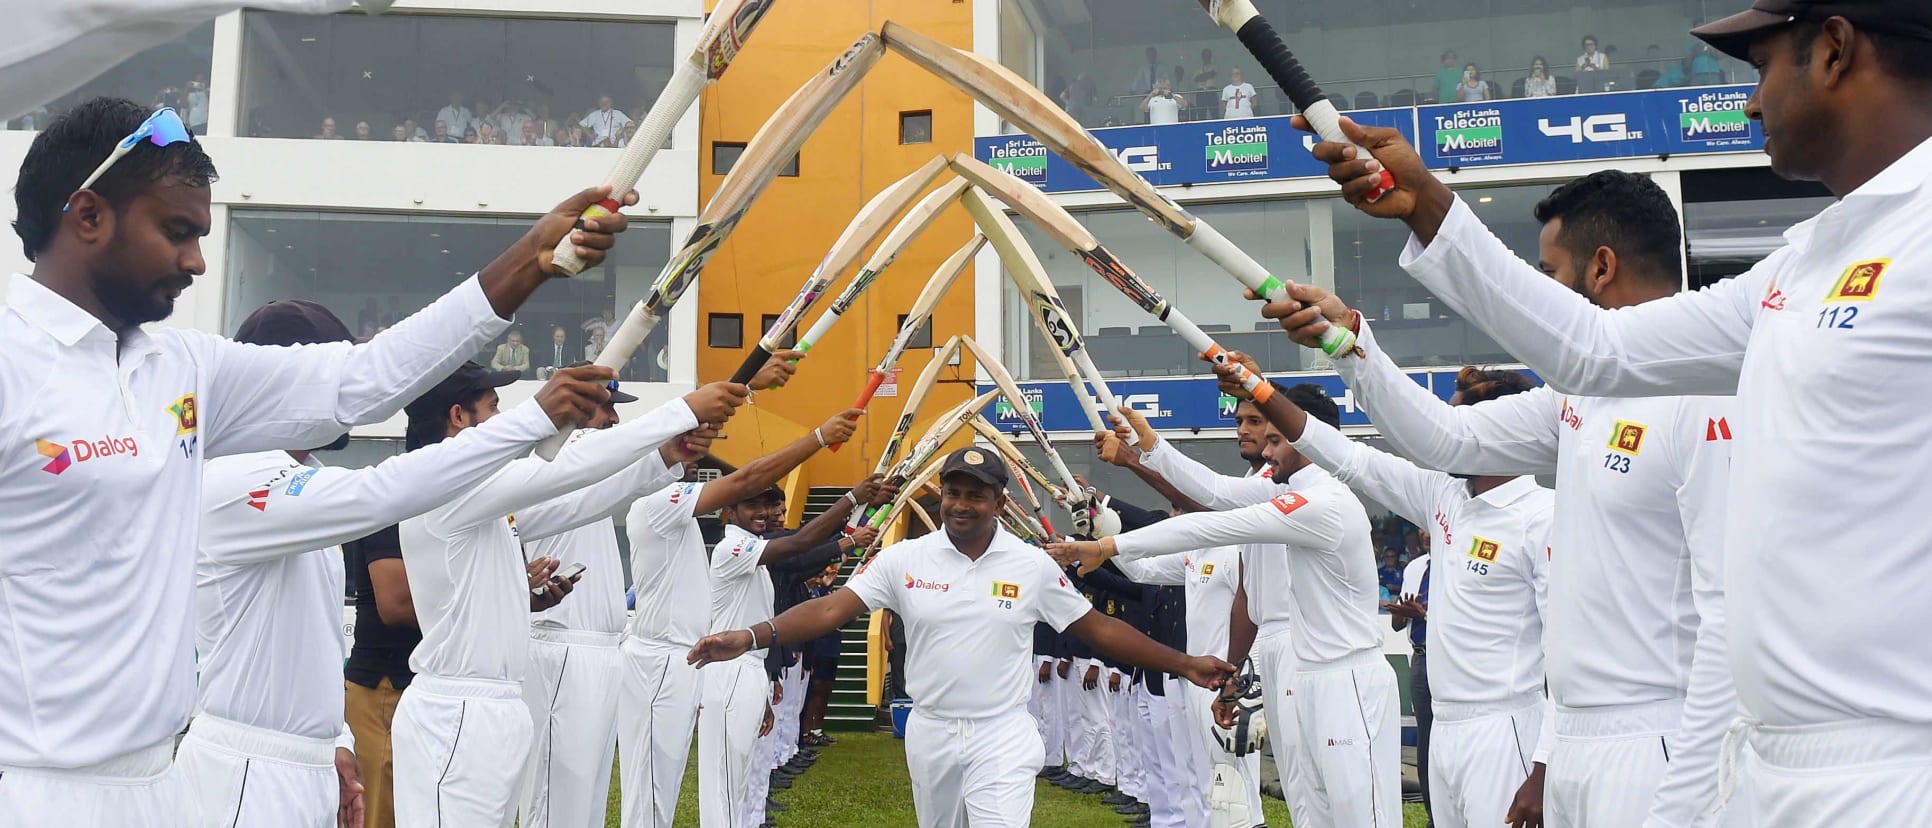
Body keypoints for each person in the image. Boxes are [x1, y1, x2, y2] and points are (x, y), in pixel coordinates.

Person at [1294, 4, 1932, 824]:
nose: (1747, 103)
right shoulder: (1798, 268)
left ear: (1836, 50)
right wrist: (1429, 207)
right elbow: (1595, 351)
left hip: (1891, 764)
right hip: (1769, 761)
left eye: (1763, 66)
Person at [0, 95, 638, 826]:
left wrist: (528, 263)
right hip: (30, 790)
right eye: (176, 231)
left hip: (158, 786)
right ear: (87, 216)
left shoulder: (180, 367)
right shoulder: (12, 366)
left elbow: (361, 379)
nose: (196, 261)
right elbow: (375, 494)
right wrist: (536, 417)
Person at [1271, 166, 1744, 824]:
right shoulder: (1580, 397)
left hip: (1658, 744)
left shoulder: (1706, 395)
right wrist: (1350, 344)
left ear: (1601, 268)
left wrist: (1688, 794)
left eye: (1549, 274)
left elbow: (1732, 621)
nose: (1542, 293)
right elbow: (1445, 440)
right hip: (1577, 739)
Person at [179, 305, 610, 828]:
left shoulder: (304, 477)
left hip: (303, 759)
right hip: (245, 770)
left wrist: (333, 741)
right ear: (276, 378)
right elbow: (381, 493)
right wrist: (534, 420)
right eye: (329, 378)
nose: (345, 399)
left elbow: (304, 644)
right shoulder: (233, 478)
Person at [689, 447, 1236, 828]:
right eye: (952, 492)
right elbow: (831, 609)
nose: (960, 504)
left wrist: (1184, 663)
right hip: (930, 732)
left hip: (1002, 731)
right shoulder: (904, 559)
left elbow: (1098, 628)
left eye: (975, 495)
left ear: (999, 502)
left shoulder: (1030, 566)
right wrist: (752, 635)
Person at [388, 363, 747, 826]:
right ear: (458, 417)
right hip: (455, 711)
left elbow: (579, 500)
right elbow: (568, 471)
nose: (503, 418)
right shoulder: (442, 487)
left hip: (495, 703)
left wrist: (666, 455)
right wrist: (680, 413)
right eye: (493, 408)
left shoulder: (479, 498)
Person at [1215, 356, 1554, 828]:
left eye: (1459, 423)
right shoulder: (1444, 496)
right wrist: (1262, 390)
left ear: (1497, 433)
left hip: (1508, 729)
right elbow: (1353, 460)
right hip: (1445, 727)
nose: (1444, 435)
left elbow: (1568, 653)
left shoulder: (1542, 515)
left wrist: (1543, 765)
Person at [1056, 388, 1402, 828]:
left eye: (1275, 439)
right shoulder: (1282, 489)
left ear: (1307, 438)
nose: (1264, 451)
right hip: (1303, 665)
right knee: (1308, 808)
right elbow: (1216, 492)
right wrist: (1153, 448)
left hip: (1343, 670)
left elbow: (1212, 519)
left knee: (1360, 813)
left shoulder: (1324, 501)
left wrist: (1109, 544)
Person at [699, 465, 889, 828]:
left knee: (745, 772)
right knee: (725, 782)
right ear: (730, 511)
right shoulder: (734, 548)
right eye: (753, 504)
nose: (764, 513)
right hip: (730, 670)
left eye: (768, 505)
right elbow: (801, 543)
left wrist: (766, 686)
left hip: (752, 667)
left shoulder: (754, 551)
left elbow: (802, 545)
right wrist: (852, 499)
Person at [513, 369, 658, 828]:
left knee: (586, 794)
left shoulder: (593, 463)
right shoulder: (561, 459)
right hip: (560, 643)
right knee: (555, 790)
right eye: (607, 408)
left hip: (597, 647)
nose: (615, 419)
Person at [344, 524, 412, 828]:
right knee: (377, 818)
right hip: (384, 686)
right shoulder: (391, 508)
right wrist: (490, 596)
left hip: (421, 686)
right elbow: (395, 605)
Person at [1387, 547, 1432, 823]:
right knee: (1426, 743)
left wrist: (1424, 616)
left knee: (1449, 740)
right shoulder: (1415, 568)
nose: (1425, 533)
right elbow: (1396, 625)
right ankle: (1434, 815)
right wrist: (1401, 614)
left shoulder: (1458, 559)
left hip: (1451, 658)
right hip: (1420, 659)